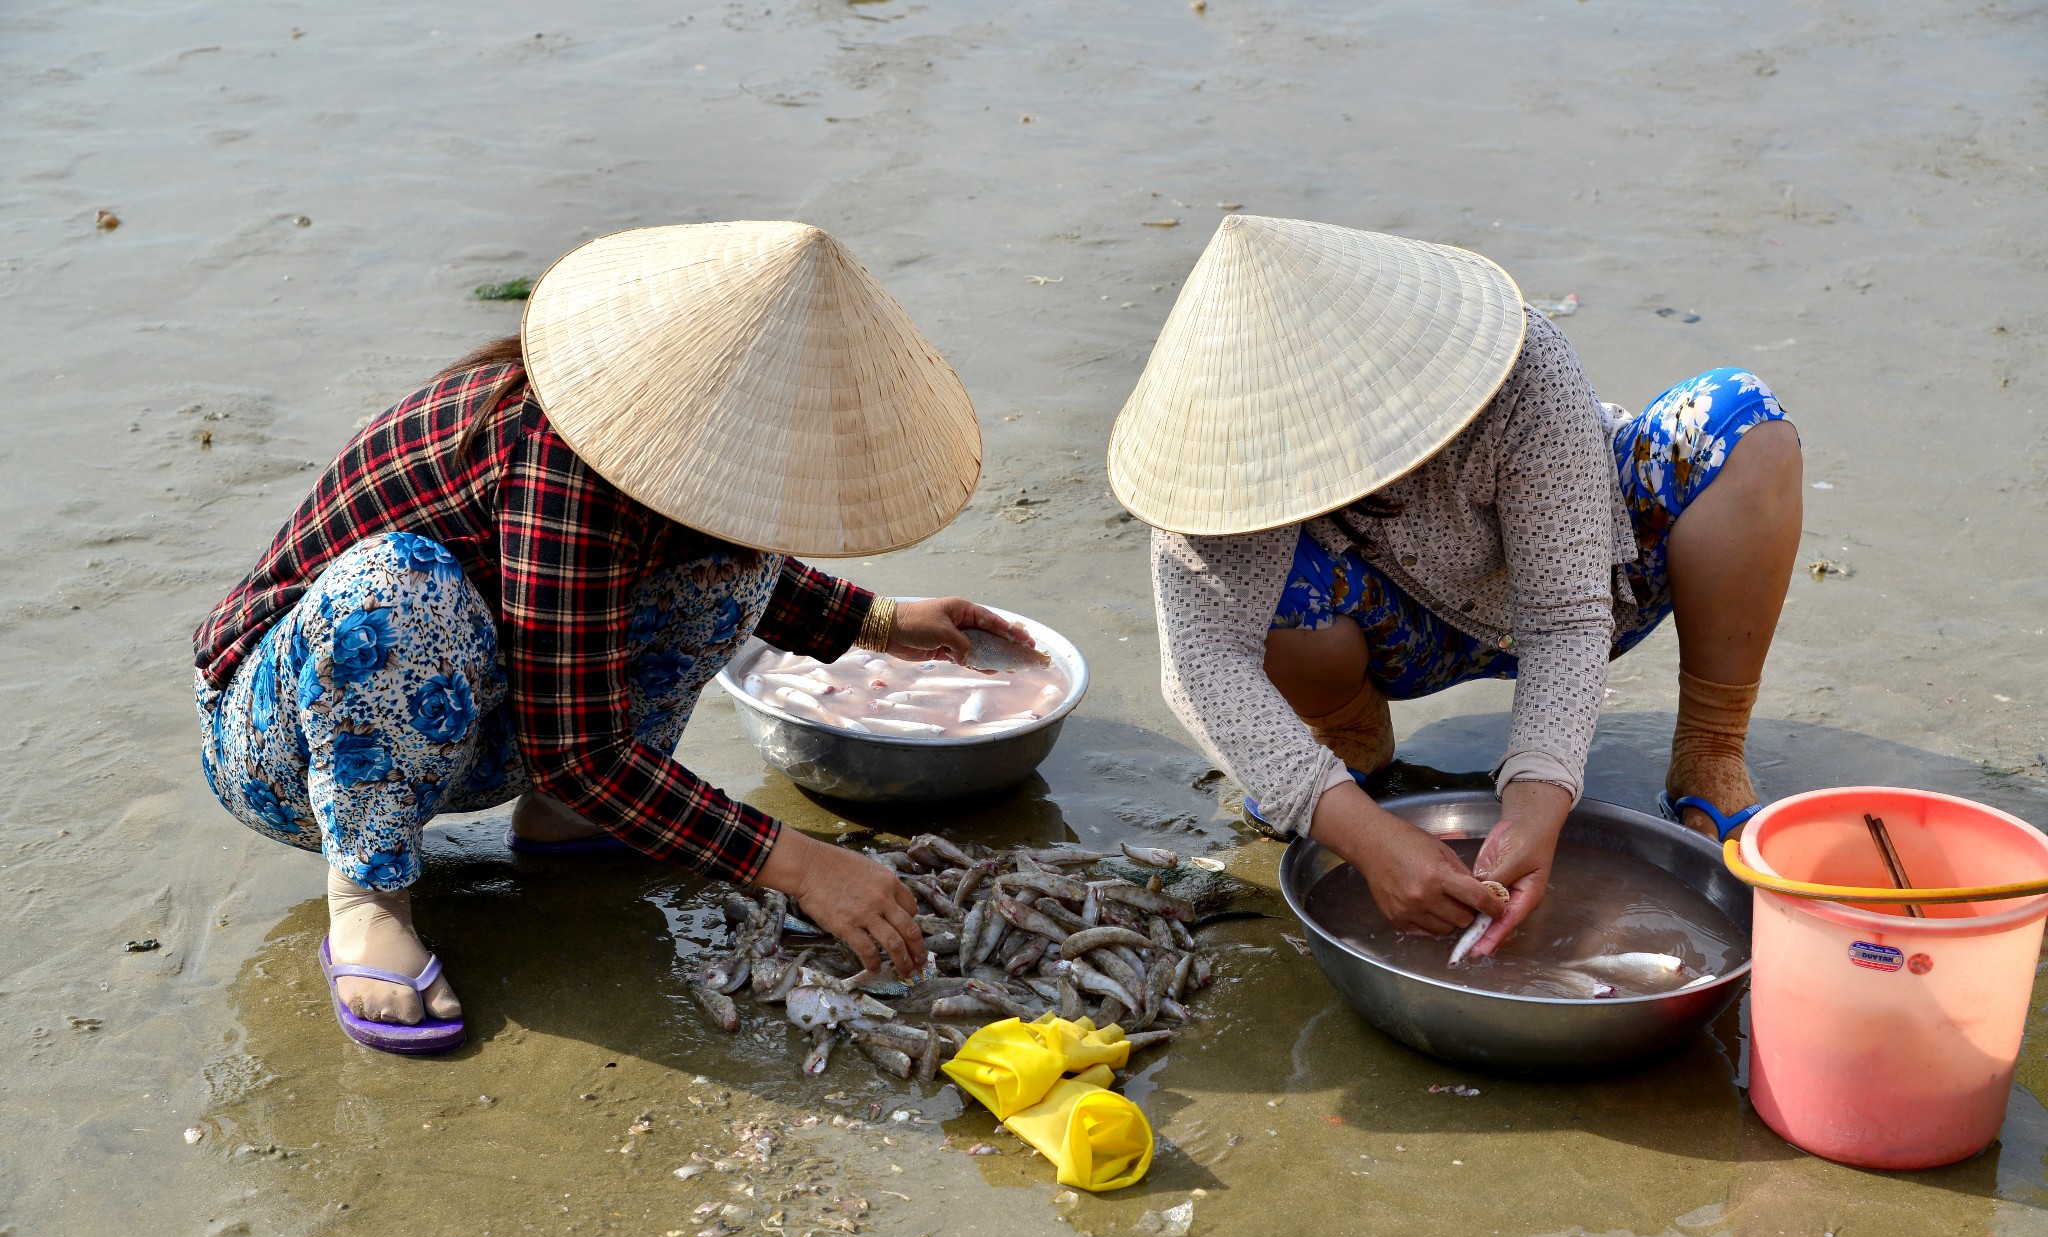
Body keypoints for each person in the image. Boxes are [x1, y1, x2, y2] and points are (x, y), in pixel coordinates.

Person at [192, 221, 1024, 1053]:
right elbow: (577, 747)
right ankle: (367, 898)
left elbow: (711, 555)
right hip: (289, 751)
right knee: (403, 587)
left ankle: (569, 821)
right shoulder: (558, 457)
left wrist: (875, 622)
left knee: (734, 562)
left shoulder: (664, 465)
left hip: (471, 712)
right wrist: (804, 867)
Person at [1111, 216, 1801, 957]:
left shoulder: (1522, 367)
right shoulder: (1229, 452)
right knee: (1260, 602)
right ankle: (1348, 736)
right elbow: (1202, 662)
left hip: (1591, 580)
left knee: (1741, 425)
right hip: (1387, 629)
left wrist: (1538, 798)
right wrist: (1363, 835)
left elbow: (1567, 618)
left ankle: (1710, 746)